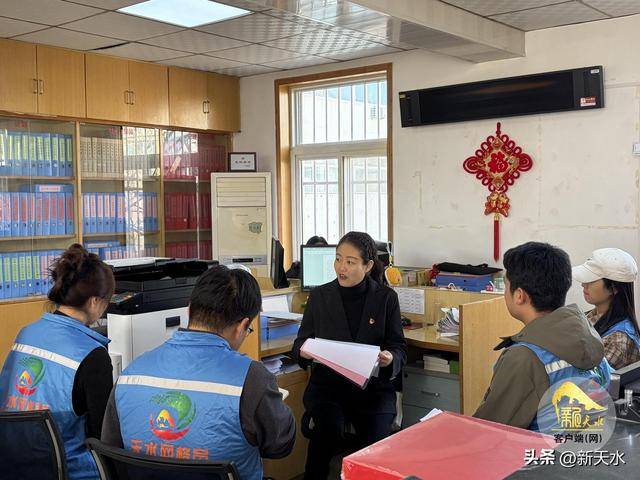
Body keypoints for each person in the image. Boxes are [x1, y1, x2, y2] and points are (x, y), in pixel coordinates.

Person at [101, 265, 295, 480]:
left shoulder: (130, 375)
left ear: (189, 309)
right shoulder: (252, 379)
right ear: (242, 326)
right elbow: (280, 445)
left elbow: (111, 450)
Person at [293, 231, 407, 480]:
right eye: (337, 259)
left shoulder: (386, 298)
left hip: (373, 391)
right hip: (328, 389)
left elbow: (398, 346)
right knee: (327, 432)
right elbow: (300, 343)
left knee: (375, 446)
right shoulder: (320, 297)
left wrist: (390, 358)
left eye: (350, 262)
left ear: (368, 265)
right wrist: (305, 352)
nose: (341, 267)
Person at [0, 244, 115, 480]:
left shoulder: (26, 333)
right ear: (95, 301)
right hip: (70, 471)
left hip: (14, 465)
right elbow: (103, 438)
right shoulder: (93, 355)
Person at [473, 241, 610, 430]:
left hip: (537, 448)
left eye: (506, 286)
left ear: (519, 295)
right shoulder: (587, 335)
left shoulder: (523, 357)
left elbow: (489, 428)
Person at [573, 248, 640, 369]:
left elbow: (590, 376)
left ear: (614, 288)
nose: (583, 284)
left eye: (591, 280)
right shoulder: (590, 317)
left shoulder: (618, 340)